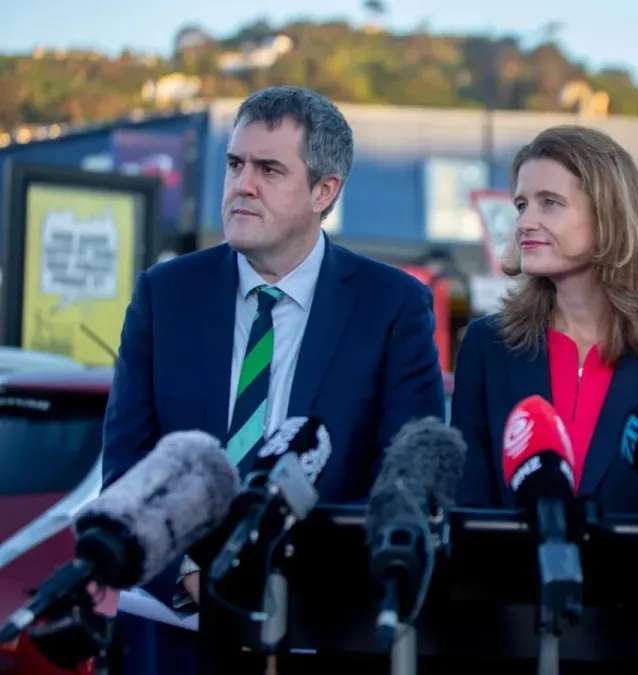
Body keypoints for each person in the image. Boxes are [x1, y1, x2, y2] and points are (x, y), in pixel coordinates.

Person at [102, 85, 445, 673]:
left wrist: (292, 589)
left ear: (324, 191)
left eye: (268, 169)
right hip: (176, 634)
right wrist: (184, 577)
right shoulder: (166, 293)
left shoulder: (392, 306)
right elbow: (128, 465)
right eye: (236, 164)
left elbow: (405, 481)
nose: (242, 185)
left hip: (320, 634)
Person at [452, 124, 638, 673]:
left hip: (636, 644)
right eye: (522, 203)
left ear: (610, 216)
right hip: (508, 638)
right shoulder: (487, 344)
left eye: (550, 203)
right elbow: (471, 503)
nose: (525, 220)